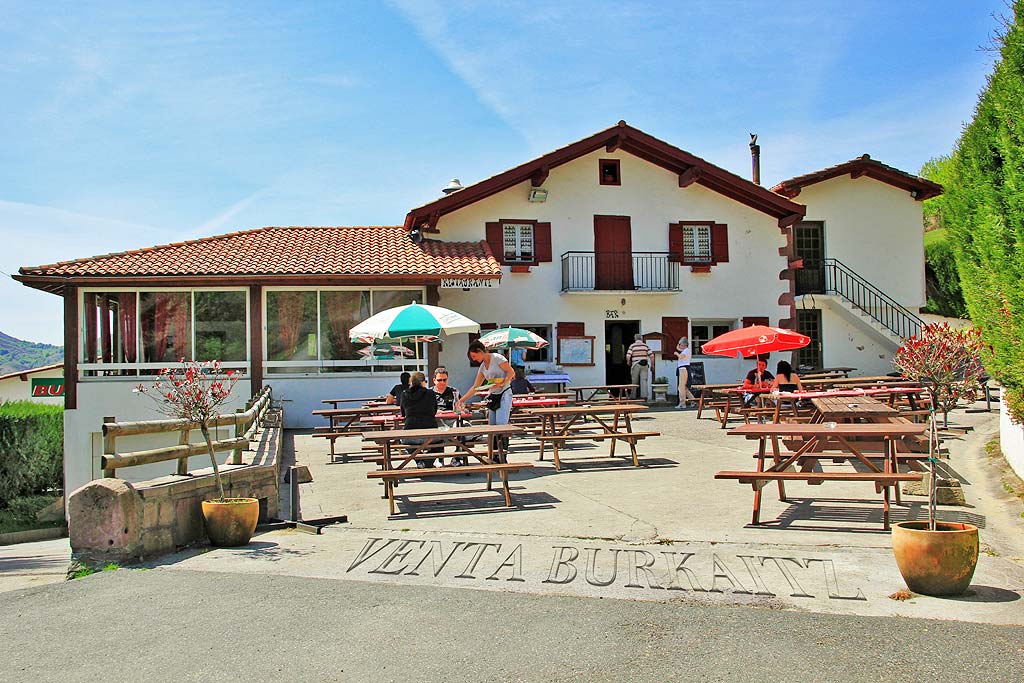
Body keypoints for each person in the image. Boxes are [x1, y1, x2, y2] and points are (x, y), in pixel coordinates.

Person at [457, 340, 516, 463]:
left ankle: (502, 457)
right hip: (493, 395)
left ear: (480, 351)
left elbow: (511, 372)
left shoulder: (498, 358)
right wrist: (461, 400)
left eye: (474, 356)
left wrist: (503, 382)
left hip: (504, 392)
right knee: (492, 426)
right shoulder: (483, 367)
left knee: (501, 425)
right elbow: (476, 387)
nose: (474, 359)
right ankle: (494, 455)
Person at [400, 371, 438, 468]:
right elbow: (434, 411)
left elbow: (403, 413)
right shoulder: (430, 393)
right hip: (430, 433)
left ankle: (420, 461)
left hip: (410, 434)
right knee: (440, 441)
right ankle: (427, 462)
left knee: (404, 441)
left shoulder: (404, 394)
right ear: (422, 382)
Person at [625, 334, 651, 401]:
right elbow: (652, 355)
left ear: (635, 339)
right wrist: (652, 365)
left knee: (634, 380)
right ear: (641, 339)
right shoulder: (646, 346)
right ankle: (644, 396)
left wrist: (628, 362)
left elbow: (628, 355)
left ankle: (633, 396)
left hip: (636, 364)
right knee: (644, 380)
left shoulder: (632, 346)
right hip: (644, 364)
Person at [675, 335, 697, 409]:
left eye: (680, 344)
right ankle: (693, 401)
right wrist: (678, 344)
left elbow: (681, 357)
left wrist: (676, 354)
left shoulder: (686, 350)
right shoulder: (685, 350)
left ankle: (682, 403)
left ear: (684, 345)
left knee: (681, 387)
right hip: (683, 369)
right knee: (684, 387)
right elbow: (678, 348)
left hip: (683, 369)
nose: (679, 346)